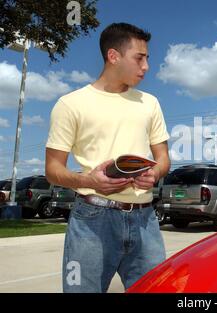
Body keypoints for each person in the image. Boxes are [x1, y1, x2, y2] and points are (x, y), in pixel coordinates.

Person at [45, 22, 171, 293]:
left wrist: (155, 173)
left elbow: (163, 159)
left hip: (145, 218)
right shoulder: (71, 104)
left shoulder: (150, 103)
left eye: (147, 58)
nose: (146, 66)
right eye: (140, 58)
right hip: (92, 218)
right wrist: (88, 180)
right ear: (113, 56)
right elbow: (52, 169)